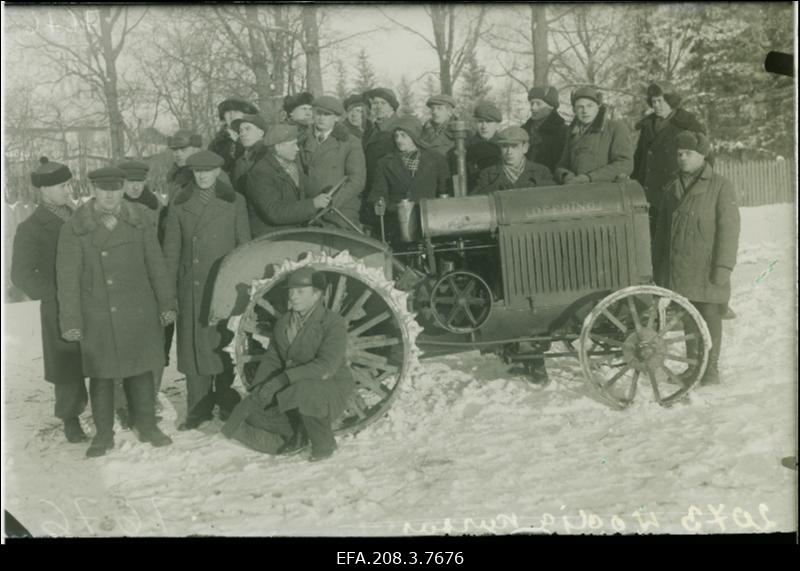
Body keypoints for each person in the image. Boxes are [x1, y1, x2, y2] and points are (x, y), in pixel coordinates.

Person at [57, 167, 176, 457]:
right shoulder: (74, 227)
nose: (110, 195)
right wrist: (71, 320)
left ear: (123, 189)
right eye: (103, 190)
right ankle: (103, 434)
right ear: (94, 191)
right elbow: (67, 279)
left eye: (115, 189)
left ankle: (147, 426)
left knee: (141, 369)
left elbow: (156, 265)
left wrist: (166, 304)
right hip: (97, 310)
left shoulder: (141, 221)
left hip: (138, 307)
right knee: (102, 374)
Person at [222, 267, 354, 462]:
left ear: (316, 294)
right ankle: (295, 434)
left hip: (328, 387)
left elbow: (325, 366)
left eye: (300, 292)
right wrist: (260, 390)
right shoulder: (284, 323)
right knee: (244, 414)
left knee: (306, 392)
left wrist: (283, 379)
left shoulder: (333, 323)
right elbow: (273, 358)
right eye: (291, 291)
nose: (293, 296)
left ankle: (323, 444)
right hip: (292, 385)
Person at [162, 151, 251, 430]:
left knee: (220, 342)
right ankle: (197, 408)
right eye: (197, 171)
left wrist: (242, 286)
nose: (202, 176)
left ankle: (225, 400)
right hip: (191, 286)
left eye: (207, 170)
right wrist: (170, 292)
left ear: (217, 172)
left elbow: (243, 247)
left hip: (224, 285)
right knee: (192, 347)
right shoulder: (178, 204)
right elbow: (171, 253)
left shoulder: (235, 201)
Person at [653, 131, 740, 386]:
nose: (682, 158)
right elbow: (661, 231)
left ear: (702, 155)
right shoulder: (671, 187)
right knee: (688, 317)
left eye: (688, 153)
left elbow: (730, 228)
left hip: (708, 265)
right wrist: (659, 266)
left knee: (709, 314)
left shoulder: (721, 185)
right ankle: (694, 368)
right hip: (680, 267)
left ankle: (710, 370)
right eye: (679, 154)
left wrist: (723, 266)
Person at [11, 157, 87, 443]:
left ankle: (112, 408)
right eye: (62, 186)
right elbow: (20, 275)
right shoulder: (31, 228)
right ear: (44, 191)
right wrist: (55, 293)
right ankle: (71, 418)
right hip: (58, 306)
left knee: (99, 353)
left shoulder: (80, 215)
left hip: (91, 299)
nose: (69, 190)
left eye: (69, 184)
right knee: (67, 362)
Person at [632, 81, 706, 246]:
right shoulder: (648, 125)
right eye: (653, 101)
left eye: (660, 101)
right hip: (650, 197)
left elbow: (705, 159)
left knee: (678, 244)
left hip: (677, 195)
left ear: (671, 101)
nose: (656, 105)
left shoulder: (688, 124)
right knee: (654, 246)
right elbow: (639, 159)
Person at [367, 115, 450, 243]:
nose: (399, 140)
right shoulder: (384, 162)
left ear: (415, 136)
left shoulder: (436, 159)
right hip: (397, 222)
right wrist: (380, 205)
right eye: (396, 136)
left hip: (430, 221)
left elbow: (444, 192)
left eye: (404, 135)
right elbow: (379, 192)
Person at [241, 123, 332, 238]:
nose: (297, 149)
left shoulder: (291, 166)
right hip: (271, 238)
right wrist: (313, 204)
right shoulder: (260, 173)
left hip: (292, 231)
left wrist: (325, 192)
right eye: (293, 145)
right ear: (278, 147)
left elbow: (309, 190)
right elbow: (275, 212)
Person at [298, 95, 366, 231]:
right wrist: (307, 205)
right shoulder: (302, 140)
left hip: (340, 209)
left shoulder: (349, 142)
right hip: (309, 206)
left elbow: (357, 180)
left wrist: (332, 203)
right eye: (318, 113)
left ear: (336, 118)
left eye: (327, 114)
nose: (321, 118)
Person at [555, 86, 633, 185]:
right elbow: (562, 165)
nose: (585, 111)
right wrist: (565, 175)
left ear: (598, 107)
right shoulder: (572, 133)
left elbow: (625, 164)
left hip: (607, 193)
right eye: (580, 107)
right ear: (574, 110)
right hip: (576, 192)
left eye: (590, 106)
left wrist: (590, 178)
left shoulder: (615, 128)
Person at [471, 127, 554, 195]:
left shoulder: (542, 172)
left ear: (525, 148)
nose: (509, 152)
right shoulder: (488, 174)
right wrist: (496, 186)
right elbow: (476, 202)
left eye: (514, 146)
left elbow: (554, 198)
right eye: (504, 146)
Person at [521, 86, 568, 173]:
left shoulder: (562, 131)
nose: (533, 108)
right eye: (532, 103)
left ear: (551, 107)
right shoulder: (523, 130)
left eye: (538, 104)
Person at [209, 97, 260, 175]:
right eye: (228, 112)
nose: (231, 115)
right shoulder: (217, 143)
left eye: (236, 111)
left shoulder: (257, 137)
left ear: (246, 114)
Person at [459, 101, 503, 192]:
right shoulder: (466, 147)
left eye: (489, 122)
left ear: (497, 124)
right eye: (480, 122)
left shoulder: (505, 146)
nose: (484, 126)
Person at [229, 113, 269, 196]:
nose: (242, 134)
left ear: (261, 132)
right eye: (241, 131)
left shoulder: (269, 155)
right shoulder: (240, 161)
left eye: (248, 129)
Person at [166, 130, 202, 203]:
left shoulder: (206, 173)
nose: (178, 154)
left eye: (183, 149)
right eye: (175, 150)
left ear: (196, 150)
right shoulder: (173, 174)